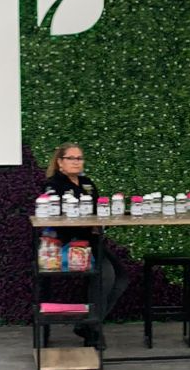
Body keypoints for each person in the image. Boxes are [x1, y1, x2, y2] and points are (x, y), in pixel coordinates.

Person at [45, 142, 129, 349]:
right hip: (69, 244)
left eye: (79, 158)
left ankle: (88, 324)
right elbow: (56, 216)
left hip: (92, 241)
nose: (77, 162)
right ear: (60, 162)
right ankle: (93, 328)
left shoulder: (87, 182)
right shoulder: (53, 184)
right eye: (71, 158)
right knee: (105, 276)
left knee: (122, 277)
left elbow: (97, 210)